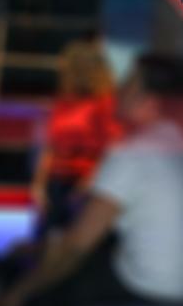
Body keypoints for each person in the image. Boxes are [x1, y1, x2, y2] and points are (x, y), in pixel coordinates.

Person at [0, 53, 183, 306]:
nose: (118, 90)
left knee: (37, 284)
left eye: (129, 83)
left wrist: (17, 295)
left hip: (145, 293)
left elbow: (76, 246)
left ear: (150, 101)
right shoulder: (180, 143)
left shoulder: (134, 152)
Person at [31, 37, 120, 233]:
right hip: (55, 183)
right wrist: (38, 185)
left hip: (83, 186)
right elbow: (50, 146)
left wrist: (86, 187)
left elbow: (110, 151)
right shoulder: (64, 101)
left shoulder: (104, 103)